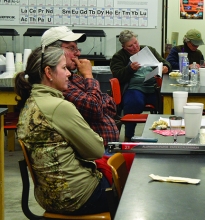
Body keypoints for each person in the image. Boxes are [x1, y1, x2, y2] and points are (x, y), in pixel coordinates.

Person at [15, 46, 110, 215]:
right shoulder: (58, 107)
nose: (69, 74)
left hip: (50, 197)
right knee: (130, 188)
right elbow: (96, 149)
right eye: (64, 68)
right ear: (48, 72)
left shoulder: (30, 102)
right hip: (78, 196)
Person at [41, 26, 119, 147]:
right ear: (52, 51)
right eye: (71, 48)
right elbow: (95, 108)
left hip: (104, 150)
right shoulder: (58, 84)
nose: (78, 53)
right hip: (89, 156)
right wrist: (88, 75)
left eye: (77, 48)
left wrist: (98, 102)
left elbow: (112, 106)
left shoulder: (75, 78)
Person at [110, 30, 171, 142]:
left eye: (136, 43)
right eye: (130, 46)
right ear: (124, 47)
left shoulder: (148, 50)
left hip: (153, 86)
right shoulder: (118, 57)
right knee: (134, 102)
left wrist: (166, 67)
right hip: (134, 87)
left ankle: (164, 134)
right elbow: (118, 76)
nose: (135, 47)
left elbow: (165, 62)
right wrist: (130, 69)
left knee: (166, 102)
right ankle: (129, 135)